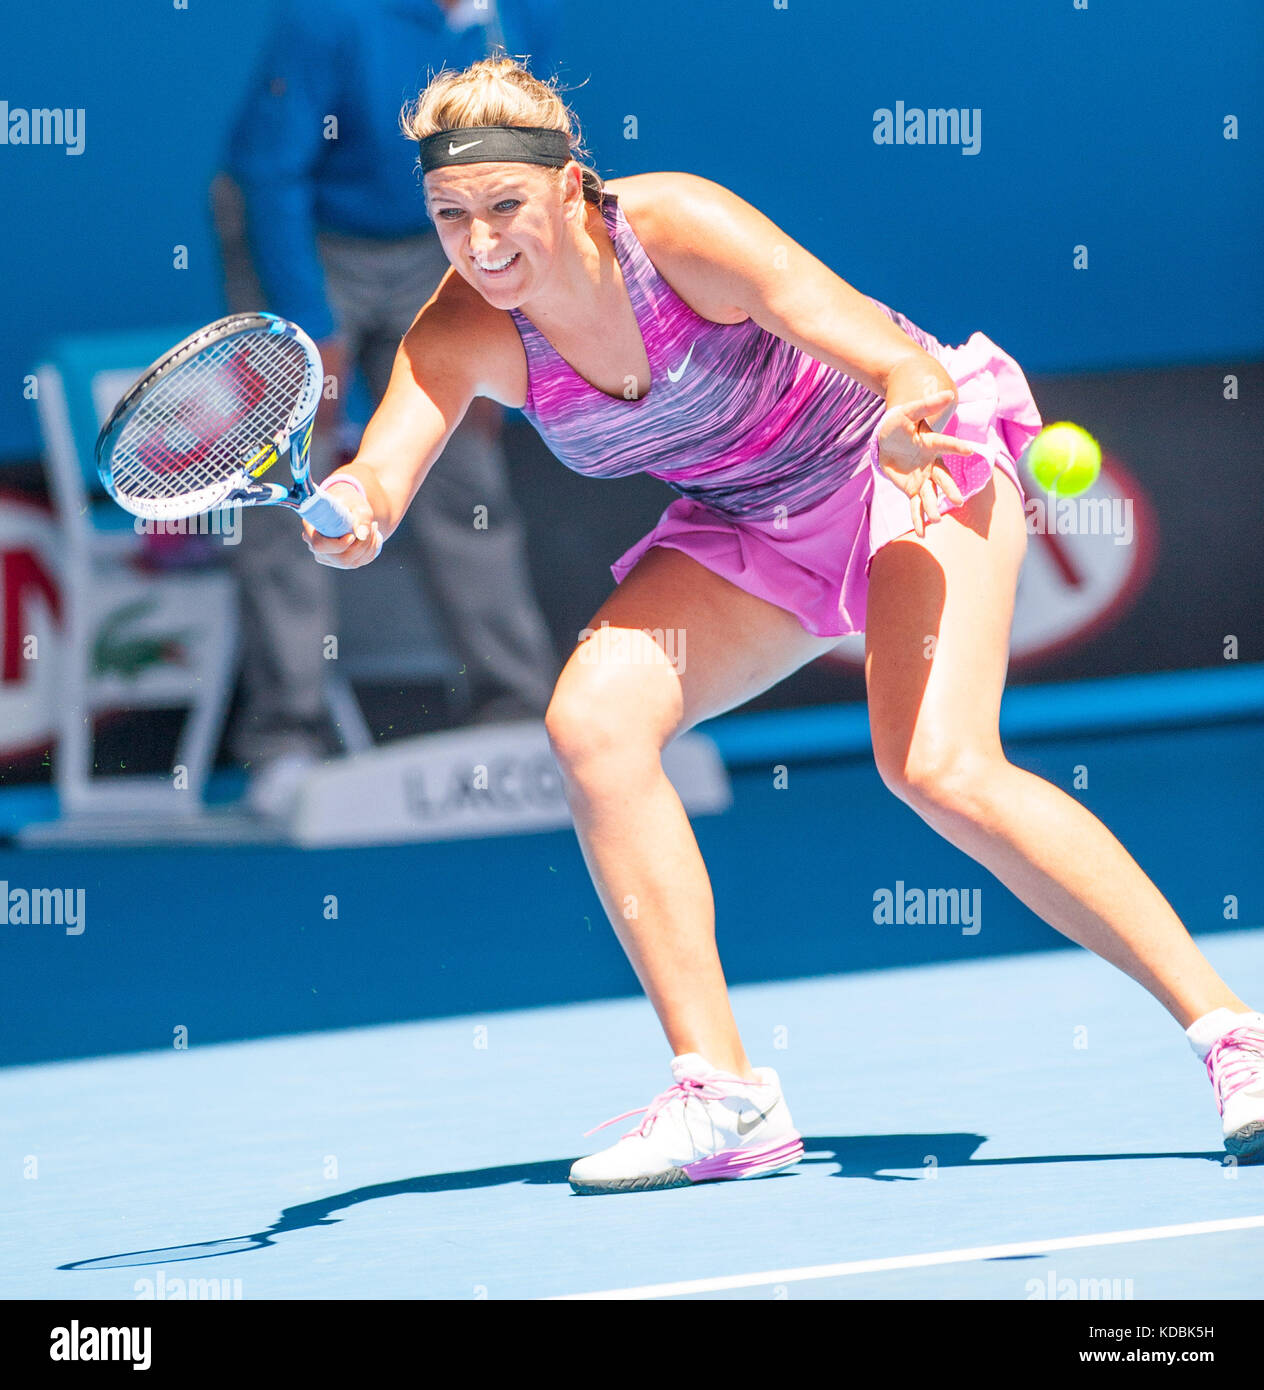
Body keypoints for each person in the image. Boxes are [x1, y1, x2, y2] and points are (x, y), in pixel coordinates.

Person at [308, 56, 1264, 1194]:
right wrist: (352, 517)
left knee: (939, 767)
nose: (480, 241)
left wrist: (910, 418)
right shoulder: (460, 328)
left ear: (570, 186)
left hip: (909, 459)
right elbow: (381, 473)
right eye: (450, 215)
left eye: (504, 205)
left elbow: (883, 350)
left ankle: (1231, 1037)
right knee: (594, 724)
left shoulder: (676, 228)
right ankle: (726, 1094)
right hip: (752, 527)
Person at [215, 1, 560, 819]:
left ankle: (516, 712)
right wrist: (313, 329)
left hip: (437, 245)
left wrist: (500, 325)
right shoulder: (326, 20)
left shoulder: (522, 16)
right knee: (285, 477)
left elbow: (531, 177)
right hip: (302, 233)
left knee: (464, 470)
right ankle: (286, 741)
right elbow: (268, 177)